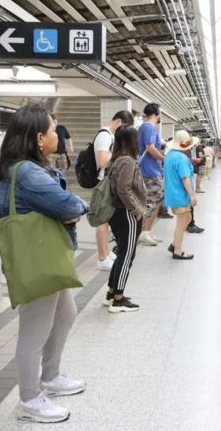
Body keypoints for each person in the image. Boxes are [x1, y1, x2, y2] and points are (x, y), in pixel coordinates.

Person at [0, 103, 88, 423]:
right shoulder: (28, 172)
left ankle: (51, 375)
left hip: (43, 256)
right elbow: (67, 204)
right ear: (37, 138)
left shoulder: (22, 168)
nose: (57, 135)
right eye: (52, 130)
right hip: (36, 260)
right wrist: (77, 209)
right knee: (34, 331)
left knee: (65, 314)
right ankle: (29, 399)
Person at [104, 125, 146, 312]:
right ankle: (118, 299)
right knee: (127, 255)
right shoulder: (128, 161)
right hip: (126, 213)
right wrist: (136, 209)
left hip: (117, 213)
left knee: (122, 252)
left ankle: (111, 293)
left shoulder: (115, 160)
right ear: (131, 141)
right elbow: (123, 189)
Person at [94, 110, 135, 270]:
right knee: (103, 220)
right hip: (104, 181)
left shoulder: (109, 135)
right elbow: (102, 161)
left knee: (107, 219)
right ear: (118, 122)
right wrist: (120, 156)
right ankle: (102, 257)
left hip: (108, 180)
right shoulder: (105, 135)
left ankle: (105, 252)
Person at [164, 130, 199, 260]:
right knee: (181, 222)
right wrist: (192, 195)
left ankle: (174, 245)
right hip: (180, 195)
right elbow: (185, 178)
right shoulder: (181, 158)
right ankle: (177, 251)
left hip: (173, 194)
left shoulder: (169, 155)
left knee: (188, 218)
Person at [137, 103, 165, 246]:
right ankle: (143, 232)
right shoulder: (148, 127)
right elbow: (150, 147)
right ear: (157, 113)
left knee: (156, 200)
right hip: (149, 171)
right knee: (152, 201)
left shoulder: (146, 127)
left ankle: (147, 231)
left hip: (151, 170)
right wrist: (164, 158)